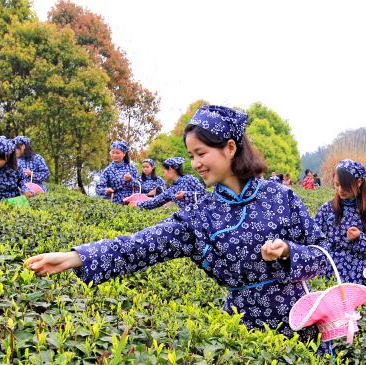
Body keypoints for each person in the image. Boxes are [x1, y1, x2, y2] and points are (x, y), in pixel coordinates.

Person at [25, 104, 328, 338]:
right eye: (191, 155)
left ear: (230, 148)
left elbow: (321, 255)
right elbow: (140, 246)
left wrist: (289, 252)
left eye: (201, 153)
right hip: (245, 331)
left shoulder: (280, 197)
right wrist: (75, 257)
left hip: (301, 320)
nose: (195, 164)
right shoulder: (201, 215)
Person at [314, 159, 366, 286]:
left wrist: (360, 238)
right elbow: (314, 240)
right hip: (328, 273)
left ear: (359, 182)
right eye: (337, 185)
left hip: (356, 275)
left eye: (345, 186)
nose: (340, 190)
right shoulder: (326, 209)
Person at [136, 157, 205, 209]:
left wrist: (186, 195)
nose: (163, 174)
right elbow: (155, 201)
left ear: (170, 169)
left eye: (164, 171)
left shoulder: (190, 179)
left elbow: (205, 195)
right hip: (189, 217)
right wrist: (137, 204)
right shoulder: (172, 189)